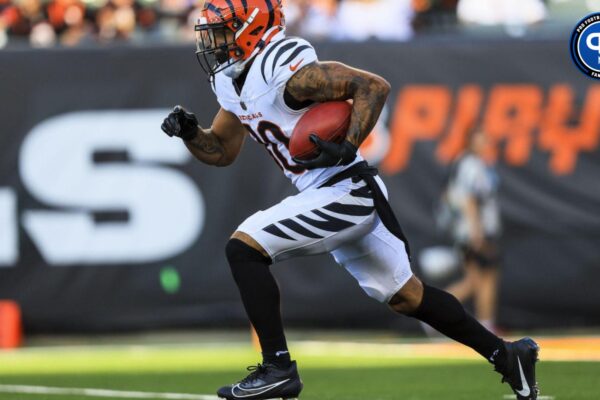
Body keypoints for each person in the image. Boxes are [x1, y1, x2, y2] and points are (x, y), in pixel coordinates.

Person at [160, 1, 539, 399]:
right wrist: (191, 133)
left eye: (222, 30)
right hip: (327, 191)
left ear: (251, 29)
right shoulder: (231, 81)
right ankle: (507, 355)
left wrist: (348, 145)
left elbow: (372, 87)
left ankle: (277, 367)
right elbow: (222, 150)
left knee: (243, 248)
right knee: (407, 296)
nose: (214, 41)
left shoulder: (280, 68)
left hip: (345, 188)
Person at [444, 129, 501, 333]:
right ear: (470, 142)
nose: (485, 144)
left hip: (473, 229)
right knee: (478, 280)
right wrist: (476, 231)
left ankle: (486, 323)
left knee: (481, 279)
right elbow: (469, 199)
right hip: (474, 231)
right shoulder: (471, 164)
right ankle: (432, 312)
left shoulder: (469, 163)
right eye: (480, 140)